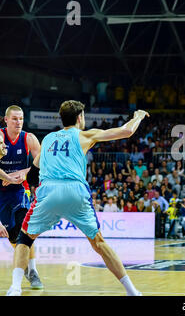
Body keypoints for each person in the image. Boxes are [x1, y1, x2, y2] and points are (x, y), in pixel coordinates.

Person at [6, 101, 148, 296]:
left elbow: (33, 174)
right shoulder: (85, 135)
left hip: (49, 191)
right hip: (75, 191)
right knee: (99, 243)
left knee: (24, 238)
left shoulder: (47, 139)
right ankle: (132, 291)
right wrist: (138, 116)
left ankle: (14, 288)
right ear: (80, 117)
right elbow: (126, 131)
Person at [0, 105, 43, 290]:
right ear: (6, 120)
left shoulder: (29, 138)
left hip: (19, 190)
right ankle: (23, 262)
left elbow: (43, 162)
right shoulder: (0, 138)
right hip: (2, 190)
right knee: (12, 237)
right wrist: (7, 177)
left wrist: (23, 173)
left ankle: (33, 271)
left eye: (21, 119)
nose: (19, 122)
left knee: (25, 229)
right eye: (15, 119)